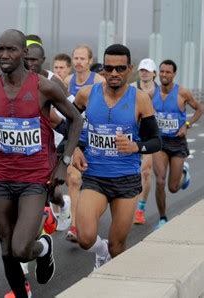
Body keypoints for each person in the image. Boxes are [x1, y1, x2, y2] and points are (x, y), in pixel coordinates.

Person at [0, 29, 83, 298]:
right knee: (5, 250)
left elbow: (77, 120)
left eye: (11, 49)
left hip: (35, 179)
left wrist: (64, 162)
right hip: (3, 176)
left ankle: (44, 249)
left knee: (21, 248)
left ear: (24, 53)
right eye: (0, 49)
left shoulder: (44, 87)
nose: (4, 55)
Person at [73, 44, 162, 270]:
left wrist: (135, 146)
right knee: (84, 238)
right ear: (102, 69)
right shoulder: (87, 94)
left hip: (126, 180)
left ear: (129, 69)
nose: (114, 73)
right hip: (95, 177)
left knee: (117, 246)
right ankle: (100, 253)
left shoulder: (140, 99)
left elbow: (155, 141)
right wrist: (74, 148)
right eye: (108, 68)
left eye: (120, 68)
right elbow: (70, 123)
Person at [24, 43, 72, 233]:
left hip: (55, 139)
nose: (29, 63)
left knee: (46, 186)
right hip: (30, 140)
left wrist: (59, 122)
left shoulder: (54, 81)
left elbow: (74, 110)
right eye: (26, 59)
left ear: (42, 60)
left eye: (33, 60)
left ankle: (41, 231)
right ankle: (58, 205)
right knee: (41, 187)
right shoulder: (20, 78)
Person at [151, 59, 203, 229]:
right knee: (159, 181)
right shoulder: (153, 93)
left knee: (173, 188)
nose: (164, 75)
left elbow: (199, 108)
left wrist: (186, 125)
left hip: (178, 143)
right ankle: (163, 218)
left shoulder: (182, 92)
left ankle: (184, 173)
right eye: (162, 71)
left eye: (168, 72)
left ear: (174, 74)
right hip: (160, 142)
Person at [63, 45, 105, 243]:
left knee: (94, 183)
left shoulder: (99, 81)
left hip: (96, 140)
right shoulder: (67, 81)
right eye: (75, 58)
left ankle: (89, 216)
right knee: (73, 179)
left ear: (90, 61)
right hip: (76, 138)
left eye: (82, 58)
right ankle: (74, 225)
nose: (78, 62)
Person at [131, 58, 158, 225]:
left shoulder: (160, 91)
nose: (144, 73)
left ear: (154, 73)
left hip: (149, 134)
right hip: (133, 132)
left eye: (147, 71)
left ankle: (140, 209)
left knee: (146, 171)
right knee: (131, 171)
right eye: (142, 70)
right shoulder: (132, 88)